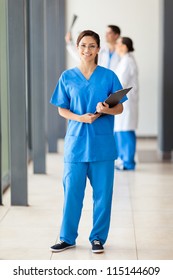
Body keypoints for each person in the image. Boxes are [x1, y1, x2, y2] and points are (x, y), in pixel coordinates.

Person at [49, 30, 127, 253]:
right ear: (77, 47)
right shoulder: (67, 77)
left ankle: (98, 238)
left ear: (98, 49)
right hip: (76, 145)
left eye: (92, 46)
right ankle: (67, 238)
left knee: (103, 195)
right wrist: (80, 118)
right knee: (72, 193)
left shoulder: (108, 76)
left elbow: (120, 107)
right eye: (83, 45)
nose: (87, 50)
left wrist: (107, 108)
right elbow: (62, 109)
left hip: (102, 146)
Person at [114, 37, 139, 170]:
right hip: (123, 102)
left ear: (124, 46)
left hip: (127, 103)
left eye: (118, 44)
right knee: (120, 130)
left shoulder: (127, 61)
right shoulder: (124, 60)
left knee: (125, 131)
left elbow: (121, 83)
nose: (116, 46)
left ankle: (128, 162)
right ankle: (123, 160)